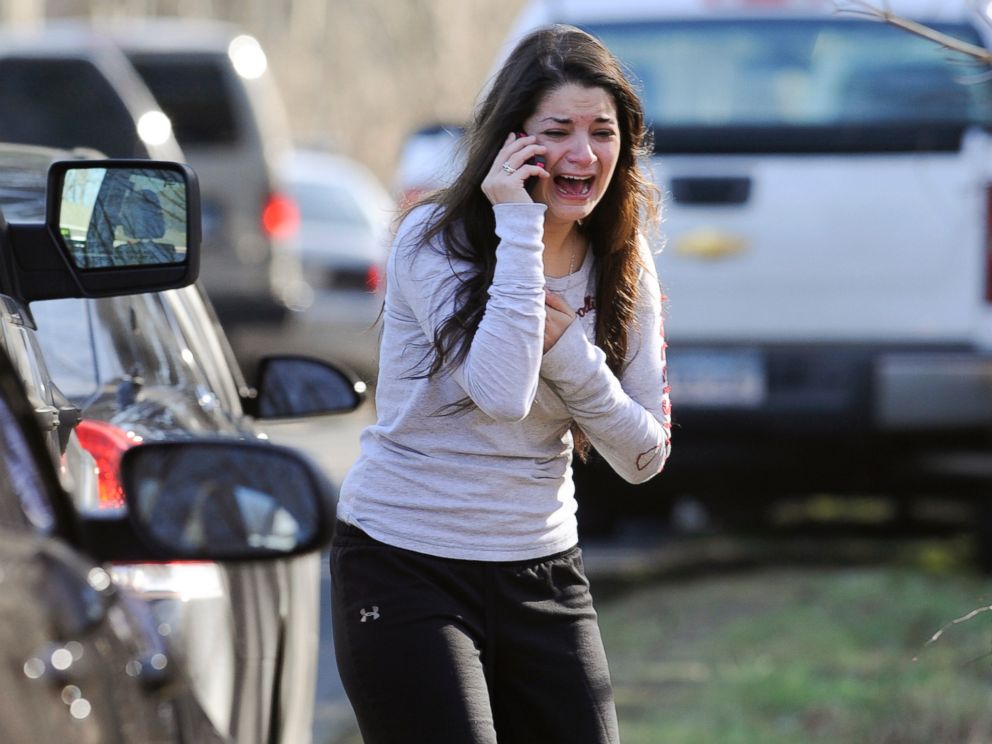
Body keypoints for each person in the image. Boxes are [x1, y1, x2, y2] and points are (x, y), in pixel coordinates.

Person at [330, 24, 672, 744]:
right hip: (404, 564)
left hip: (542, 569)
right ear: (512, 143)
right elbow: (502, 392)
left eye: (602, 132)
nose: (582, 154)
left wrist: (574, 355)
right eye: (558, 131)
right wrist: (520, 227)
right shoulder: (433, 239)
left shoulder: (623, 258)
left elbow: (644, 457)